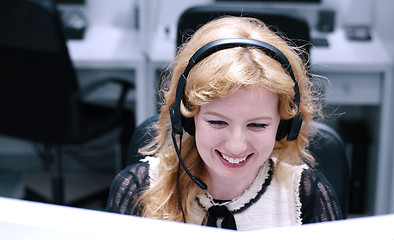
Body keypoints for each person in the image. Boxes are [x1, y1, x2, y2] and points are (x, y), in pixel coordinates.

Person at [106, 16, 342, 230]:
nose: (236, 146)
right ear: (187, 119)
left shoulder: (309, 197)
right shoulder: (136, 188)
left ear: (284, 126)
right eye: (218, 122)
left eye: (257, 125)